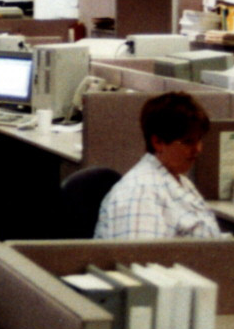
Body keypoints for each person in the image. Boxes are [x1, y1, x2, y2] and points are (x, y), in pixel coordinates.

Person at [94, 91, 223, 239]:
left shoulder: (180, 181)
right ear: (158, 142)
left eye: (199, 140)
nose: (198, 149)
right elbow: (142, 252)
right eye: (188, 142)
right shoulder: (141, 194)